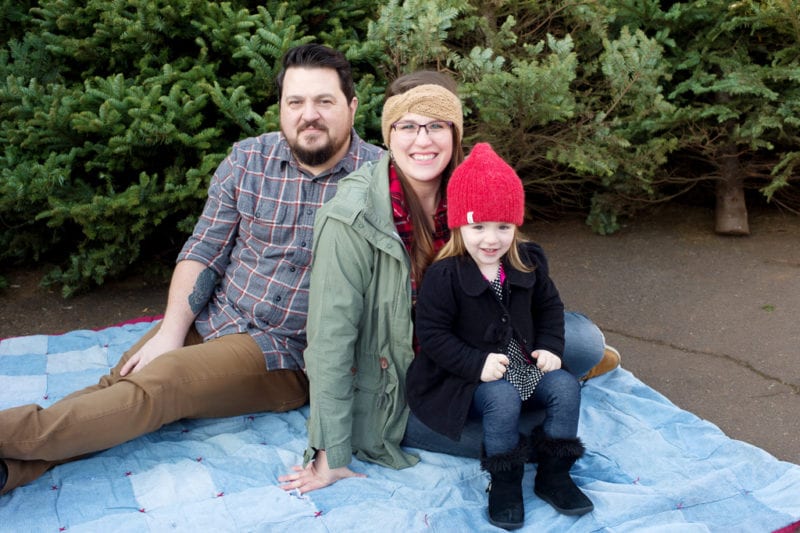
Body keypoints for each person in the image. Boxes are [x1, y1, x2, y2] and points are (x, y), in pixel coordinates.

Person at [0, 43, 383, 495]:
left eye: (325, 101)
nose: (309, 115)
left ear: (351, 107)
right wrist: (170, 331)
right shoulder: (247, 160)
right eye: (295, 101)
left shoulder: (381, 180)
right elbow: (203, 251)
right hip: (215, 314)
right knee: (123, 379)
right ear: (280, 108)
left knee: (162, 383)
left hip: (283, 352)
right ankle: (11, 472)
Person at [279, 71, 618, 494]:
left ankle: (535, 390)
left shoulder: (469, 185)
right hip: (407, 376)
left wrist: (540, 341)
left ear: (455, 132)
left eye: (437, 125)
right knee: (518, 441)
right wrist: (329, 453)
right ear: (389, 133)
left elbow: (518, 274)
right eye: (407, 126)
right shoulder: (351, 216)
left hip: (479, 341)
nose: (423, 140)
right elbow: (330, 337)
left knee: (582, 341)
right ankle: (525, 404)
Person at [407, 143, 594, 529]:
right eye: (478, 227)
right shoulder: (445, 276)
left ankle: (554, 475)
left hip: (520, 364)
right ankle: (505, 482)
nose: (490, 239)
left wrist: (550, 347)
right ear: (460, 225)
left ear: (516, 225)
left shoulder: (526, 261)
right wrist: (477, 363)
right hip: (465, 377)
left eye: (502, 227)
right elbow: (433, 335)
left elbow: (550, 308)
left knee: (564, 387)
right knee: (502, 398)